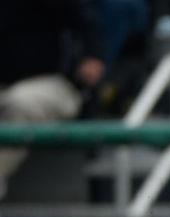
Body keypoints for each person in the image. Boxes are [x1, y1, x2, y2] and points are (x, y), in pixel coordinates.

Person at [0, 2, 105, 198]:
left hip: (54, 84)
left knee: (21, 102)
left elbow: (87, 22)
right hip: (6, 85)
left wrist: (93, 56)